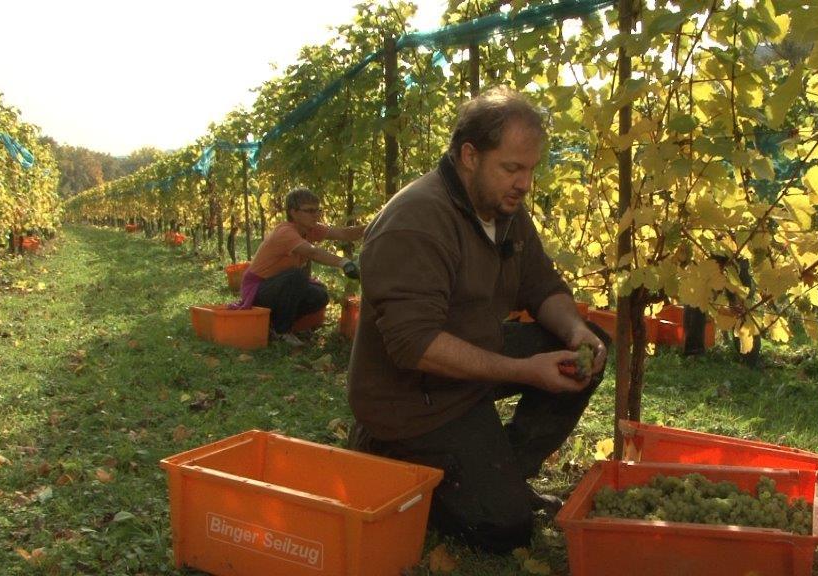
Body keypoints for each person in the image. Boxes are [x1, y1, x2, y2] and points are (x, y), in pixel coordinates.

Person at [346, 86, 609, 553]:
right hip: (411, 403)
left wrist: (576, 332)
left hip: (471, 363)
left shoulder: (505, 210)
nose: (524, 183)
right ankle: (384, 454)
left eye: (530, 169)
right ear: (469, 155)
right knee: (504, 529)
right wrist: (525, 371)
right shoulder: (416, 221)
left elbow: (543, 287)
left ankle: (504, 467)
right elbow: (415, 345)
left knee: (583, 351)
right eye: (512, 168)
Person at [231, 187, 362, 346]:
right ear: (293, 212)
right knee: (297, 276)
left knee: (319, 295)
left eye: (317, 210)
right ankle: (282, 331)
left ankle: (272, 324)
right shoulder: (285, 232)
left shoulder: (310, 229)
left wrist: (380, 223)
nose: (316, 214)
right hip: (258, 290)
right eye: (309, 210)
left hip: (278, 287)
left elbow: (345, 234)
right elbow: (312, 253)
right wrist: (343, 262)